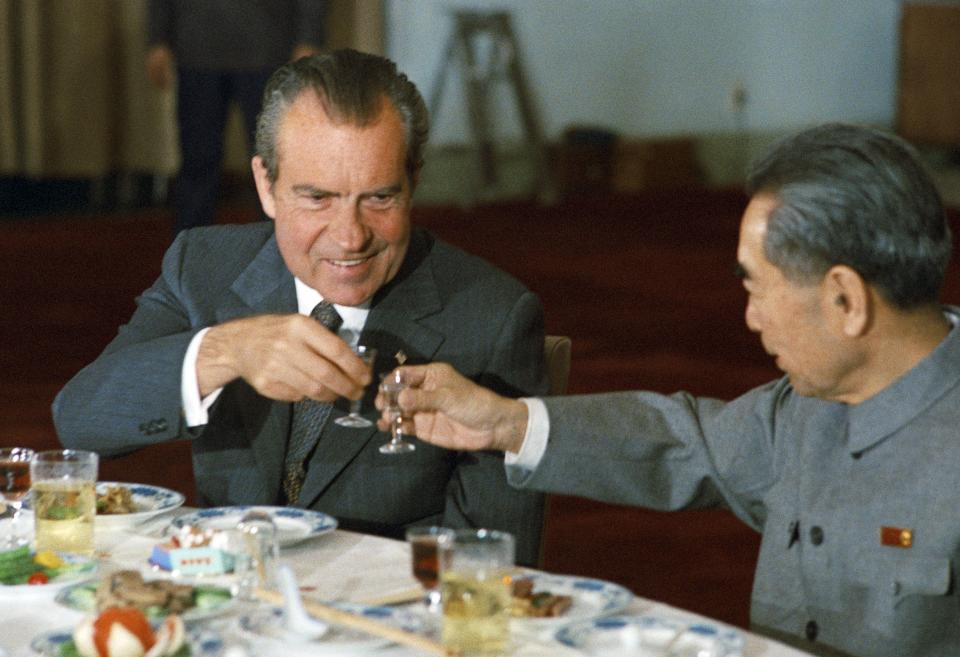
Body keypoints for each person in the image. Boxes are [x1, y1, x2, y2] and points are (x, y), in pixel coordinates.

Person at [377, 123, 959, 657]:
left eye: (757, 289)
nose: (751, 319)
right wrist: (506, 423)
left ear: (845, 300)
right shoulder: (808, 408)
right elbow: (684, 441)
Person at [53, 49, 548, 566]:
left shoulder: (493, 318)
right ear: (266, 186)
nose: (350, 236)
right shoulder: (204, 266)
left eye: (380, 198)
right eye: (318, 199)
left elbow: (492, 570)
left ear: (414, 182)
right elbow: (82, 420)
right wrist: (223, 352)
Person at [146, 0, 327, 234]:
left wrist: (309, 39)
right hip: (198, 48)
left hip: (268, 46)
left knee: (273, 162)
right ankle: (191, 252)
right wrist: (157, 39)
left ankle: (280, 251)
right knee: (197, 161)